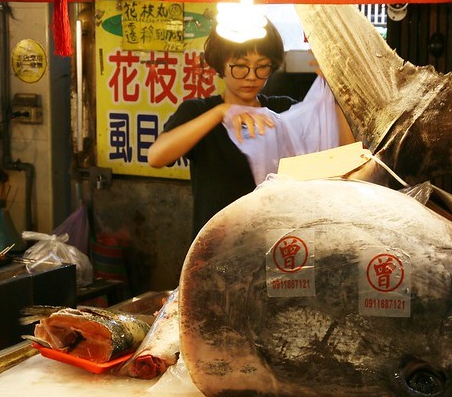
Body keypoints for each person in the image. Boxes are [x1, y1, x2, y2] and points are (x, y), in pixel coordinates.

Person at [148, 18, 354, 239]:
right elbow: (157, 156)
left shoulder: (282, 111)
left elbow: (347, 154)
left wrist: (335, 92)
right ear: (221, 64)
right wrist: (221, 112)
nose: (252, 76)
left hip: (276, 242)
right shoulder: (198, 111)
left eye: (262, 67)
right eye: (240, 66)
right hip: (218, 243)